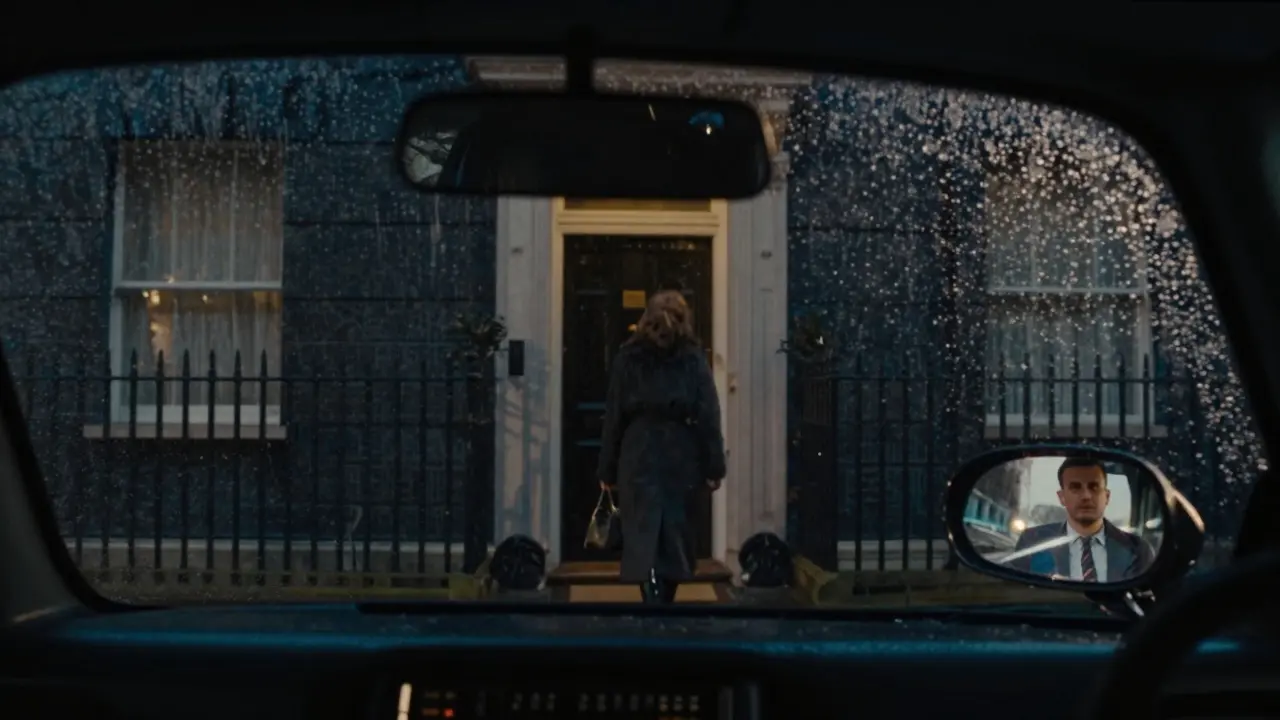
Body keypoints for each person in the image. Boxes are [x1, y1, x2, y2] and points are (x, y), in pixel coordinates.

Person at [597, 290, 727, 604]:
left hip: (638, 449)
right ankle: (664, 599)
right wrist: (714, 466)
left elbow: (614, 415)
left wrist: (607, 468)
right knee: (675, 531)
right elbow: (708, 413)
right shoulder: (692, 357)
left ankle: (651, 598)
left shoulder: (628, 357)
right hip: (680, 451)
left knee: (643, 532)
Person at [1009, 458, 1155, 582]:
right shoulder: (1033, 542)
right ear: (1062, 497)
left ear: (1107, 497)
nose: (1086, 495)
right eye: (1075, 488)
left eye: (1094, 487)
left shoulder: (1137, 550)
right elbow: (1016, 594)